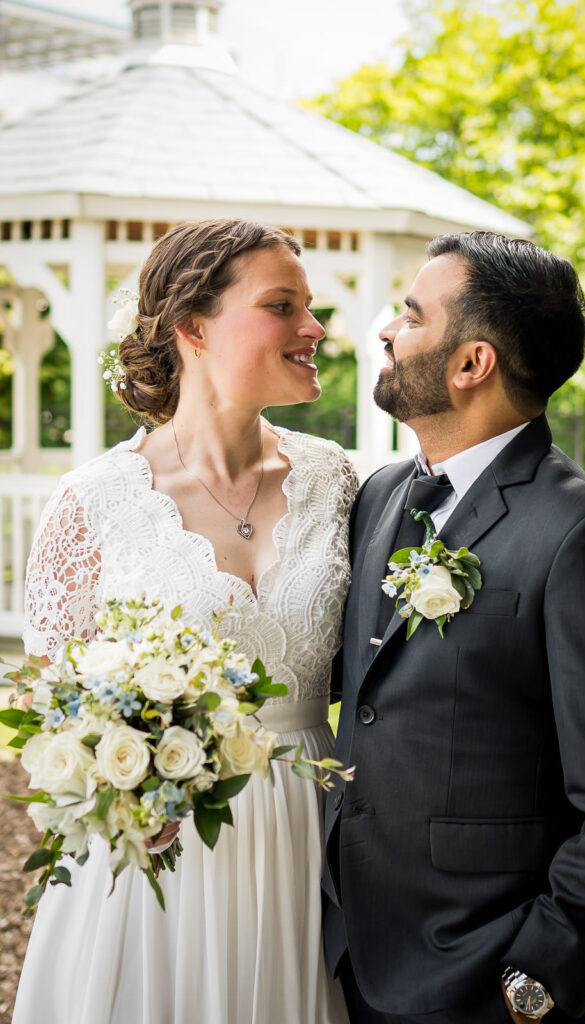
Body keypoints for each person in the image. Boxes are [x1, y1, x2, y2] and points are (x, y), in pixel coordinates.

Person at [323, 231, 585, 1024]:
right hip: (339, 949)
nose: (384, 328)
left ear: (470, 364)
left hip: (480, 979)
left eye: (411, 316)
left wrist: (540, 975)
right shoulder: (379, 493)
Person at [13, 219, 356, 1024]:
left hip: (309, 835)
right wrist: (117, 787)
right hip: (160, 847)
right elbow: (49, 713)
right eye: (282, 306)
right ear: (192, 327)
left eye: (311, 306)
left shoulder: (338, 482)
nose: (314, 329)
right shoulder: (93, 501)